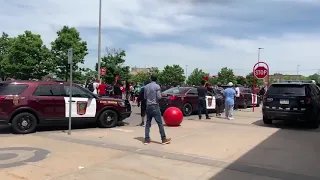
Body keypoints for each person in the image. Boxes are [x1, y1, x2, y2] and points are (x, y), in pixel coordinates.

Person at [144, 74, 171, 145]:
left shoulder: (146, 87)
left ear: (150, 79)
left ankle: (146, 139)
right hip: (155, 106)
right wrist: (161, 95)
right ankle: (163, 138)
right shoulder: (157, 86)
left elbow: (145, 97)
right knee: (160, 123)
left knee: (148, 123)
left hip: (148, 106)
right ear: (156, 79)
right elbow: (159, 97)